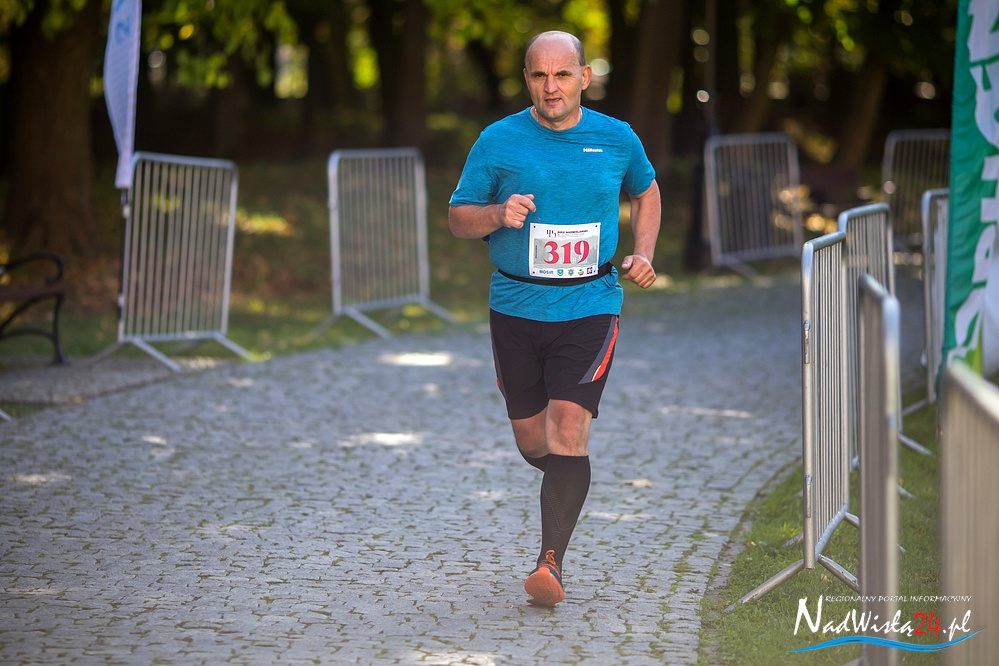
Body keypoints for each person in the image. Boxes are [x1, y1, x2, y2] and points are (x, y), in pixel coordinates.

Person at [448, 30, 661, 607]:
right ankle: (572, 475)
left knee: (569, 426)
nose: (551, 87)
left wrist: (643, 252)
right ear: (527, 80)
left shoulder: (617, 138)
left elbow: (646, 192)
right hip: (515, 306)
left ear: (583, 77)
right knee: (533, 439)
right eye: (540, 75)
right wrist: (497, 213)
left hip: (591, 303)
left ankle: (550, 565)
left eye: (562, 74)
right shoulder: (498, 140)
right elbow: (459, 218)